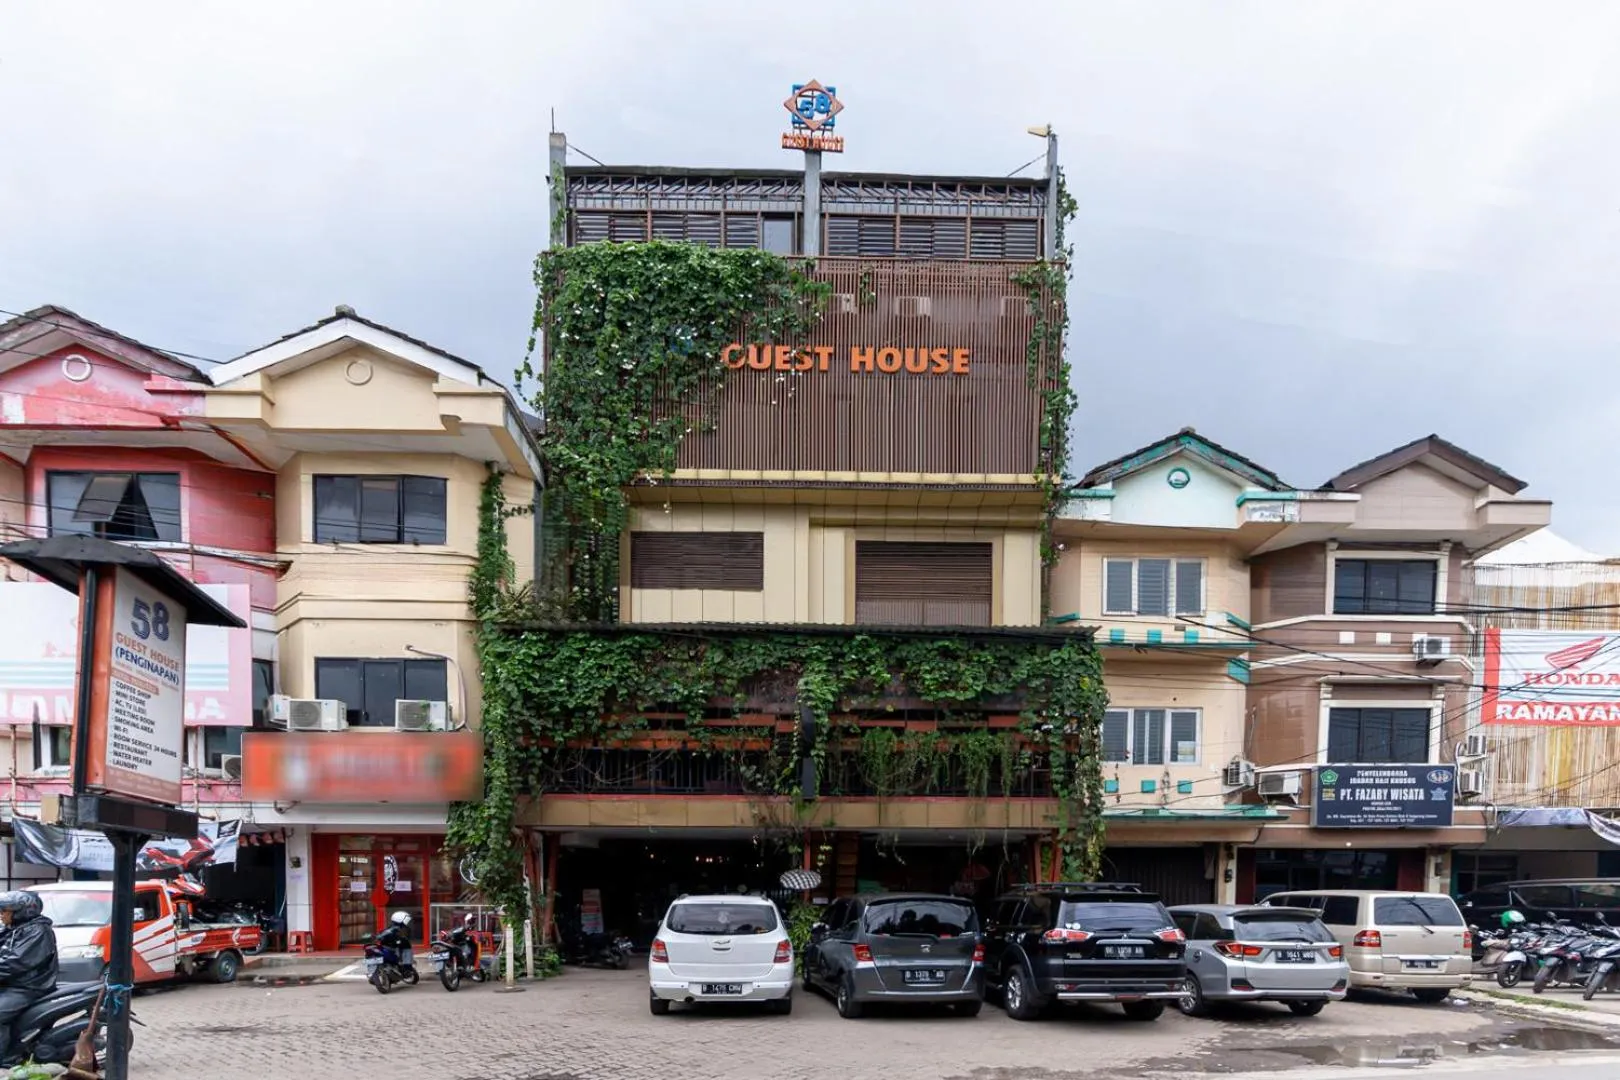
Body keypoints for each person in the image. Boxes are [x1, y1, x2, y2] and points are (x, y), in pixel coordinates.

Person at [0, 891, 57, 1064]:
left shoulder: (38, 931)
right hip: (12, 984)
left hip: (27, 987)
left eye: (5, 911)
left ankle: (7, 1058)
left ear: (20, 912)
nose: (1, 914)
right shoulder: (15, 929)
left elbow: (15, 962)